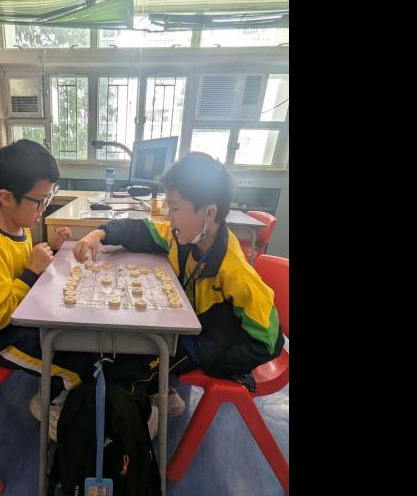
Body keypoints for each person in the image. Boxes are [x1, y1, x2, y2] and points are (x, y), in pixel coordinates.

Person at [0, 139, 158, 440]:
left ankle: (59, 393)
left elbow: (18, 271)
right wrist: (31, 271)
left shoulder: (20, 228)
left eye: (48, 198)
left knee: (74, 342)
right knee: (76, 367)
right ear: (6, 197)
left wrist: (49, 247)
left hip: (19, 316)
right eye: (40, 200)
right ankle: (51, 409)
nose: (44, 207)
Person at [72, 152, 285, 416]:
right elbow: (141, 230)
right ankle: (162, 392)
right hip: (182, 330)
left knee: (120, 372)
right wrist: (100, 233)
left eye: (174, 208)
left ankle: (147, 417)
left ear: (209, 213)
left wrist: (208, 355)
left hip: (203, 344)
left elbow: (269, 341)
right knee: (120, 347)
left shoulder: (235, 272)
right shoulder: (184, 236)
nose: (169, 218)